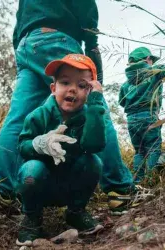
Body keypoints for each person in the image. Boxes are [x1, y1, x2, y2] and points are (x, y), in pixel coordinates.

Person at [0, 1, 151, 220]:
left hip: (26, 44)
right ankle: (120, 189)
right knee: (94, 106)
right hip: (57, 38)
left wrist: (21, 45)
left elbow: (22, 15)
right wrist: (91, 43)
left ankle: (0, 194)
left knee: (17, 119)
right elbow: (86, 8)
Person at [16, 54, 106, 246]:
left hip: (70, 184)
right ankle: (32, 218)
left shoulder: (88, 117)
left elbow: (94, 145)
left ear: (90, 92)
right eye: (65, 82)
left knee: (94, 162)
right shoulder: (38, 115)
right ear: (53, 88)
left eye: (82, 86)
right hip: (40, 183)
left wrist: (96, 104)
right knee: (31, 169)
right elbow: (22, 147)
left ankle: (76, 212)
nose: (73, 89)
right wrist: (39, 144)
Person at [119, 47, 165, 183]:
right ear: (148, 59)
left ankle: (137, 182)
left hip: (132, 120)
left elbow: (122, 102)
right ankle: (151, 180)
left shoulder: (125, 85)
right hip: (149, 116)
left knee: (139, 151)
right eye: (152, 60)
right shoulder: (155, 71)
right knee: (153, 149)